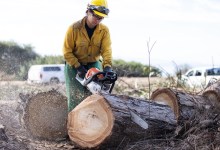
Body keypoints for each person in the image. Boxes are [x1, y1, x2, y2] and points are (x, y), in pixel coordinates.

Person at [62, 0, 113, 112]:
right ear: (88, 11)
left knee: (95, 96)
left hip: (94, 64)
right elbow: (67, 52)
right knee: (76, 97)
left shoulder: (104, 31)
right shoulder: (74, 28)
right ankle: (73, 125)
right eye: (96, 16)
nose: (98, 20)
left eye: (101, 18)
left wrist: (107, 66)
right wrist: (78, 67)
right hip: (73, 66)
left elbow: (106, 50)